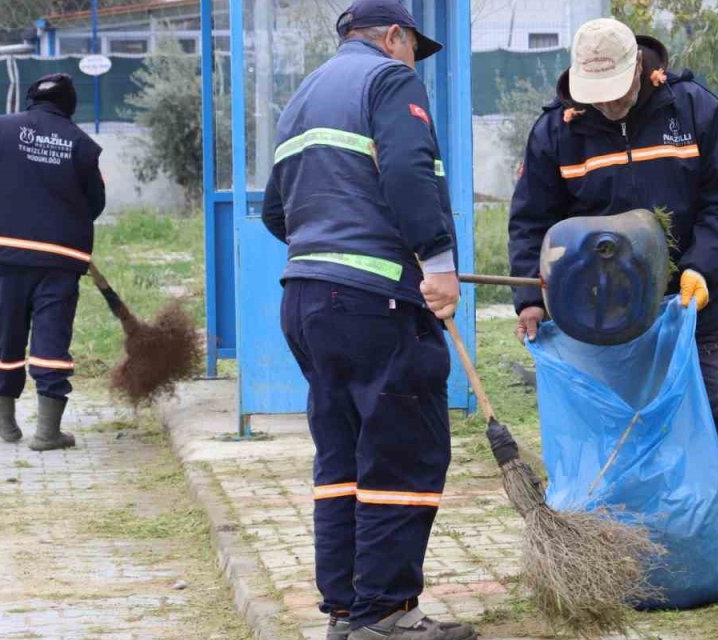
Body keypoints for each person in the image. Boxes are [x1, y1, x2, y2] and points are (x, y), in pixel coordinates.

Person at [508, 18, 718, 582]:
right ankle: (626, 540)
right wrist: (528, 298)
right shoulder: (557, 131)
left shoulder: (692, 109)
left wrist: (701, 266)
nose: (607, 104)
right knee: (619, 426)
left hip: (694, 298)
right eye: (596, 94)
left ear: (638, 66)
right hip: (603, 313)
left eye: (616, 91)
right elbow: (531, 222)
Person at [260, 1, 474, 638]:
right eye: (413, 49)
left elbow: (275, 212)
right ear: (394, 36)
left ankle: (347, 610)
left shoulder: (304, 96)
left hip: (307, 300)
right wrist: (438, 264)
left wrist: (330, 245)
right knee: (403, 450)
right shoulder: (388, 79)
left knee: (342, 458)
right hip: (375, 302)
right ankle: (387, 612)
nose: (415, 64)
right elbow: (408, 171)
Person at [0, 73, 105, 452]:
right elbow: (95, 205)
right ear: (70, 106)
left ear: (31, 100)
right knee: (52, 335)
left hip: (7, 253)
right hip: (61, 257)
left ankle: (4, 419)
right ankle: (47, 433)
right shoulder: (83, 146)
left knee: (7, 332)